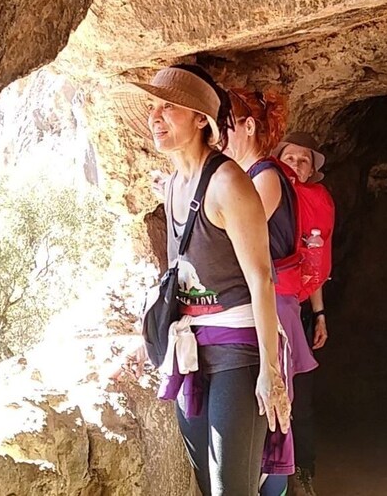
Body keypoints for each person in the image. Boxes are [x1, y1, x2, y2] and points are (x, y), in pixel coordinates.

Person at [114, 65, 291, 496]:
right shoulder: (174, 185)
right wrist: (147, 337)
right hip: (190, 351)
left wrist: (270, 371)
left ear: (201, 120)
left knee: (232, 488)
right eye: (152, 107)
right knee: (207, 481)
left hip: (238, 349)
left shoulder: (229, 183)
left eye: (169, 108)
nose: (155, 117)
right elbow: (181, 278)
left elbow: (261, 278)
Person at [224, 89, 319, 496]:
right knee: (265, 417)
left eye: (224, 123)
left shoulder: (264, 176)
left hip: (273, 303)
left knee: (273, 418)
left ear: (248, 126)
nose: (218, 132)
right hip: (263, 302)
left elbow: (236, 236)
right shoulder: (250, 176)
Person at [273, 132, 333, 490]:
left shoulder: (319, 201)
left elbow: (316, 260)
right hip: (269, 306)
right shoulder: (266, 193)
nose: (296, 165)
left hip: (301, 307)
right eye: (290, 158)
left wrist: (320, 314)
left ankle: (302, 471)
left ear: (313, 170)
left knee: (303, 399)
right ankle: (274, 474)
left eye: (304, 160)